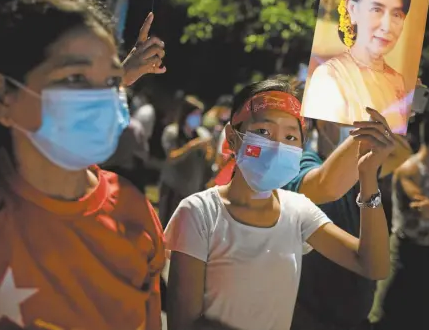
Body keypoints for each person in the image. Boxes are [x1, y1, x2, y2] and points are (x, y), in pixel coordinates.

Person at [0, 0, 167, 330]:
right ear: (1, 95)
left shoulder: (135, 212)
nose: (101, 98)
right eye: (75, 79)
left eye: (110, 81)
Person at [164, 78, 394, 330]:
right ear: (232, 137)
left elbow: (373, 264)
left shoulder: (298, 211)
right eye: (263, 131)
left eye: (290, 136)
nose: (277, 145)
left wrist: (368, 178)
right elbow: (183, 323)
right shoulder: (199, 213)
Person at [287, 118, 411, 330]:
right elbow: (326, 184)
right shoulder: (302, 163)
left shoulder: (361, 169)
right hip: (312, 316)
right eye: (354, 119)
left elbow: (402, 153)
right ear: (324, 126)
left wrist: (394, 107)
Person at [369, 113, 429, 330]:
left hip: (428, 255)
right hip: (404, 252)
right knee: (386, 313)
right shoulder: (408, 169)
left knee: (420, 318)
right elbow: (420, 206)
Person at [302, 0, 412, 134]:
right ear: (352, 9)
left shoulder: (397, 81)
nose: (387, 25)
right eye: (377, 9)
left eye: (397, 14)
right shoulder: (330, 76)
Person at [158, 95, 214, 228]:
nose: (197, 118)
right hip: (173, 188)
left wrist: (208, 152)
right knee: (167, 226)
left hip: (192, 190)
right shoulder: (172, 132)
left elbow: (208, 161)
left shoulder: (203, 134)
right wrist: (191, 146)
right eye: (194, 114)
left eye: (199, 114)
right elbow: (171, 157)